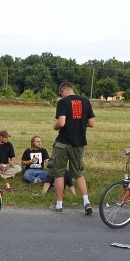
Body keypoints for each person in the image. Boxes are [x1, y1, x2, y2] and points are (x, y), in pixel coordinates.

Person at [48, 82, 96, 214]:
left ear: (63, 89)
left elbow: (61, 122)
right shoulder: (86, 101)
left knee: (58, 173)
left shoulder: (63, 102)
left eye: (60, 93)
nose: (61, 96)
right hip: (79, 143)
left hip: (63, 143)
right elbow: (92, 123)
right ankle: (86, 202)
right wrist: (80, 124)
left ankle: (59, 205)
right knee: (78, 173)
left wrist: (55, 126)